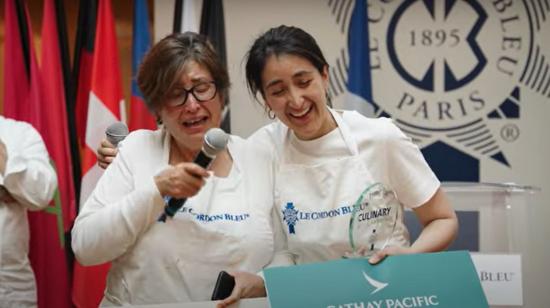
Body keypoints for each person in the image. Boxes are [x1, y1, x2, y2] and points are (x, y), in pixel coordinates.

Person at [96, 26, 459, 307]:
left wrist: (409, 258)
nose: (296, 100)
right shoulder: (262, 149)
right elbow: (211, 180)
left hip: (388, 294)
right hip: (311, 299)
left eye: (304, 82)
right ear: (264, 98)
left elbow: (443, 220)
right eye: (278, 90)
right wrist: (129, 161)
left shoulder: (379, 138)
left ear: (325, 75)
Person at [71, 32, 273, 305]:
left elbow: (286, 249)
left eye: (201, 88)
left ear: (221, 92)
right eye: (175, 94)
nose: (192, 105)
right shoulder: (136, 150)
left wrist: (263, 282)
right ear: (157, 108)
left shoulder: (258, 157)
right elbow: (85, 247)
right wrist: (154, 192)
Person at [0, 116, 57, 308]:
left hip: (11, 285)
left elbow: (42, 194)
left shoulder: (20, 133)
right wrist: (8, 188)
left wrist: (5, 161)